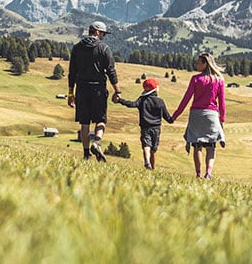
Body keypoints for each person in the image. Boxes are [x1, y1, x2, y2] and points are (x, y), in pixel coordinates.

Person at [67, 21, 122, 161]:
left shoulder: (77, 48)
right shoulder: (104, 48)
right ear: (97, 32)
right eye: (103, 33)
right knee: (100, 120)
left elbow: (72, 72)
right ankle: (97, 142)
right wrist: (117, 91)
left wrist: (70, 93)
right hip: (98, 89)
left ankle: (86, 155)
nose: (103, 36)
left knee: (84, 123)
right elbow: (111, 71)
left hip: (82, 89)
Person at [171, 52, 226, 179]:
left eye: (198, 62)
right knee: (211, 146)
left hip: (196, 114)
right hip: (211, 115)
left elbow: (186, 99)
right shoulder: (219, 80)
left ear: (205, 64)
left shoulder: (195, 79)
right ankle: (209, 172)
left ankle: (198, 174)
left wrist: (175, 116)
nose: (196, 64)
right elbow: (222, 103)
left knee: (197, 146)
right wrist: (222, 119)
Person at [114, 78, 174, 170]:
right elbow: (166, 116)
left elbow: (132, 104)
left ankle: (147, 162)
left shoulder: (142, 100)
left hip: (145, 127)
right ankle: (152, 167)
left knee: (146, 145)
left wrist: (120, 100)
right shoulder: (160, 101)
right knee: (153, 150)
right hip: (156, 129)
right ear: (155, 89)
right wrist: (172, 120)